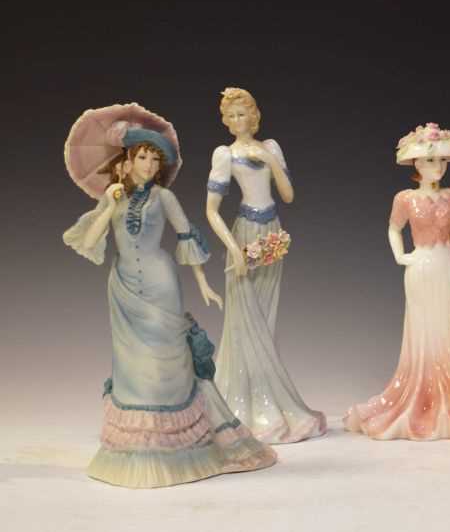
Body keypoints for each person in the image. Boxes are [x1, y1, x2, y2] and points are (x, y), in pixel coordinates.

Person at [63, 105, 276, 487]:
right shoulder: (114, 197)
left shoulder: (164, 197)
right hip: (123, 289)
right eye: (142, 157)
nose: (148, 165)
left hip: (161, 285)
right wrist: (108, 204)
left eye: (154, 159)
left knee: (168, 363)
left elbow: (186, 237)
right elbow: (90, 243)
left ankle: (177, 447)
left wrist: (204, 284)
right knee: (132, 366)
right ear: (127, 161)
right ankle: (137, 446)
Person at [205, 87, 326, 444]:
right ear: (226, 122)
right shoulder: (225, 154)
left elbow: (287, 195)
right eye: (232, 116)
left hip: (272, 232)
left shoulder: (271, 147)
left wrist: (270, 161)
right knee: (244, 321)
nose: (238, 120)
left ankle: (271, 400)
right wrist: (234, 250)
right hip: (244, 235)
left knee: (265, 320)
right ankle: (245, 405)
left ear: (255, 115)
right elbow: (211, 210)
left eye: (243, 113)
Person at [344, 123, 450, 440]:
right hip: (420, 270)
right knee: (424, 333)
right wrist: (400, 255)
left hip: (448, 266)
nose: (438, 167)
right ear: (416, 163)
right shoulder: (405, 198)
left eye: (442, 160)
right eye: (431, 160)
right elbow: (393, 228)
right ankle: (425, 397)